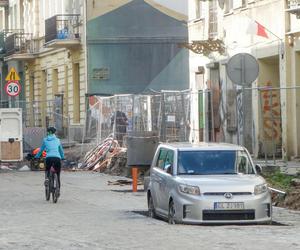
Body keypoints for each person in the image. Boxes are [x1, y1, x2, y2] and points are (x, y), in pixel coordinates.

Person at [35, 127, 65, 194]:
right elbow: (61, 150)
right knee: (58, 174)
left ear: (48, 132)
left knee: (47, 170)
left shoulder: (45, 140)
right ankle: (58, 191)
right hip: (57, 158)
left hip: (49, 158)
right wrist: (62, 157)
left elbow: (41, 150)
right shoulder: (58, 140)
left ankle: (47, 179)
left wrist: (36, 157)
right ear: (54, 133)